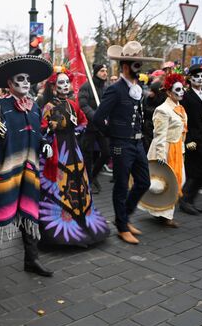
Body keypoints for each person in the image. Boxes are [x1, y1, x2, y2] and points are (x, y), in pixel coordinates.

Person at [0, 55, 55, 276]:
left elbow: (38, 133)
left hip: (29, 168)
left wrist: (44, 144)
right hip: (5, 168)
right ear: (10, 84)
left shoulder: (34, 108)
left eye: (27, 79)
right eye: (20, 79)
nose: (25, 83)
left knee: (30, 211)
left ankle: (32, 259)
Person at [93, 41, 162, 244]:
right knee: (121, 185)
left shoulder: (138, 87)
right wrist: (113, 135)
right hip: (121, 144)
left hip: (137, 143)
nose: (139, 68)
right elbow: (98, 118)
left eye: (140, 63)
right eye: (135, 64)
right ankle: (122, 226)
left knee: (143, 182)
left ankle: (124, 216)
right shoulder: (115, 90)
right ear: (125, 66)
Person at [40, 71, 109, 246]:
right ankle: (64, 226)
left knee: (79, 183)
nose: (65, 86)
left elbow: (83, 121)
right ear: (54, 87)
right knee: (61, 185)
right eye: (61, 83)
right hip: (58, 150)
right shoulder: (48, 107)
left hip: (74, 148)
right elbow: (42, 129)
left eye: (67, 82)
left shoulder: (73, 104)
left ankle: (83, 222)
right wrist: (49, 131)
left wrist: (78, 128)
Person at [140, 73, 187, 227]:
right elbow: (159, 135)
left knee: (178, 180)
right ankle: (166, 216)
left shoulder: (179, 108)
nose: (181, 92)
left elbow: (181, 132)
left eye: (183, 89)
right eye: (177, 89)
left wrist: (182, 150)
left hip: (176, 148)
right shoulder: (162, 110)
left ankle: (159, 212)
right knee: (167, 182)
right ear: (168, 92)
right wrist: (161, 158)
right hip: (165, 150)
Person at [180, 64, 202, 215]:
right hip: (192, 139)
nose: (200, 79)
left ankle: (189, 200)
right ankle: (185, 201)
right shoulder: (185, 96)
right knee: (195, 171)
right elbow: (181, 119)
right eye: (196, 76)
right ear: (190, 78)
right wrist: (187, 140)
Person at [78, 63, 110, 193]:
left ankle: (93, 175)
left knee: (106, 153)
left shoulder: (107, 88)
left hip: (102, 127)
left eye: (106, 71)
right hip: (90, 127)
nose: (105, 73)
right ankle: (88, 180)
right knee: (88, 155)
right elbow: (83, 105)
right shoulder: (86, 87)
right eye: (102, 71)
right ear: (96, 72)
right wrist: (96, 117)